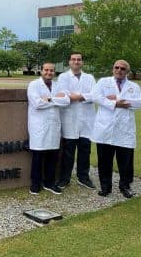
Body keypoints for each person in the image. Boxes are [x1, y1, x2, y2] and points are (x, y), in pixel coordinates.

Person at [91, 60, 141, 198]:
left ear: (127, 71)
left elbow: (139, 103)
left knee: (125, 162)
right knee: (104, 161)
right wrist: (115, 103)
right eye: (117, 67)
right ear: (112, 68)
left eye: (123, 68)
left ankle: (125, 187)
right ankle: (105, 188)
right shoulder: (103, 82)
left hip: (124, 130)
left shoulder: (134, 86)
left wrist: (117, 98)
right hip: (105, 128)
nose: (119, 70)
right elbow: (95, 97)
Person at [27, 62, 70, 195]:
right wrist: (56, 100)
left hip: (54, 125)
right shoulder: (33, 85)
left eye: (51, 71)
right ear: (41, 71)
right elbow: (37, 103)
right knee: (38, 156)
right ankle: (35, 183)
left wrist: (49, 99)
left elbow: (66, 101)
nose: (49, 73)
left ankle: (50, 183)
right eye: (46, 70)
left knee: (53, 156)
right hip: (39, 126)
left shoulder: (58, 85)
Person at [56, 52, 96, 190]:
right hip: (70, 118)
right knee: (68, 151)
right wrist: (83, 97)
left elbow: (94, 95)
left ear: (82, 62)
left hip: (86, 120)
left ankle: (83, 177)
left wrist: (76, 96)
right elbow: (63, 95)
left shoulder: (89, 77)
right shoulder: (63, 77)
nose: (76, 62)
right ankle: (64, 178)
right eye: (73, 59)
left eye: (79, 59)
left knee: (85, 150)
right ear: (69, 62)